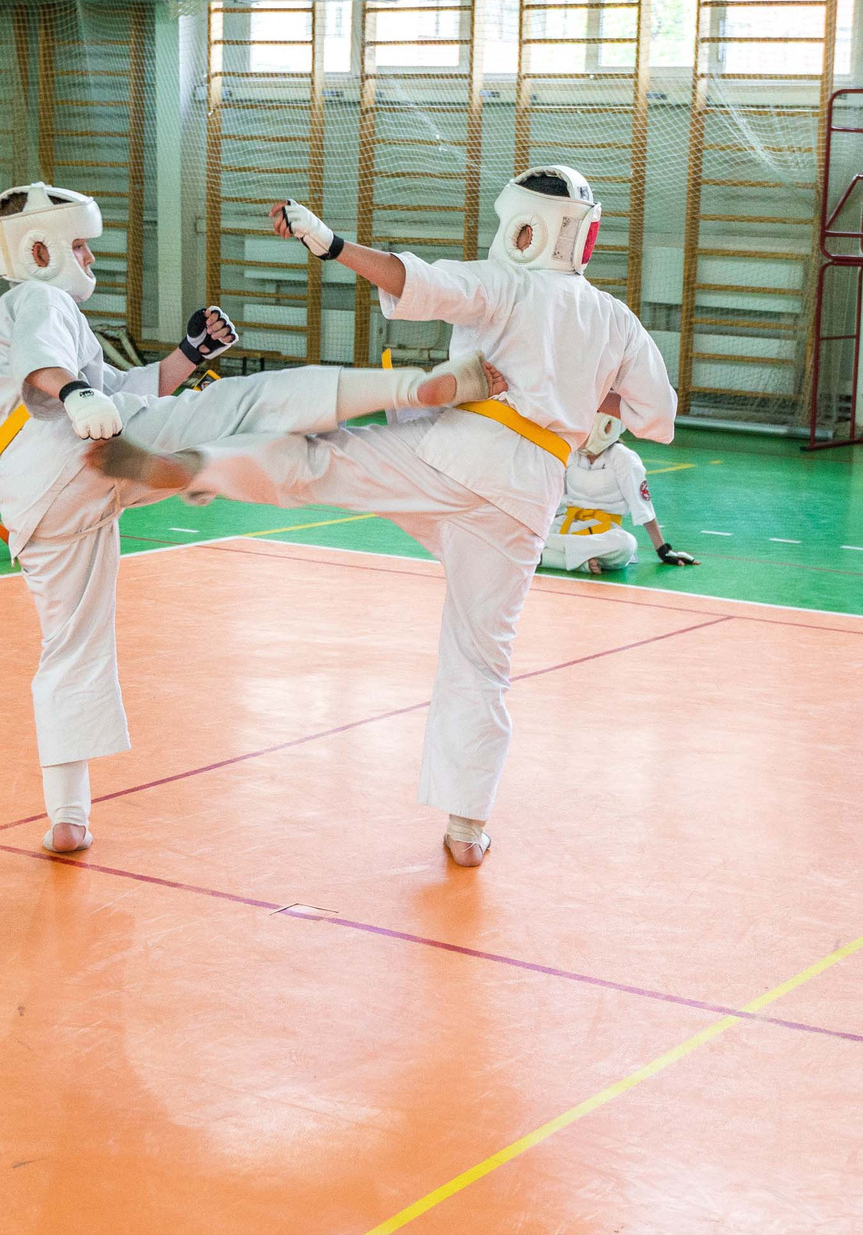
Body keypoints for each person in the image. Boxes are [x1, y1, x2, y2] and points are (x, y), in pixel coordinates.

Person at [91, 165, 680, 869]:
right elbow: (658, 415)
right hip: (529, 495)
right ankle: (467, 828)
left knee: (324, 463)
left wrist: (332, 245)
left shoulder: (507, 283)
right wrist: (571, 392)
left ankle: (206, 465)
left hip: (456, 453)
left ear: (522, 223)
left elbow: (417, 282)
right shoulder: (616, 320)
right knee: (481, 659)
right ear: (579, 231)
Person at [0, 181, 502, 855]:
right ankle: (410, 385)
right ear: (38, 249)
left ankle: (68, 817)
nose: (88, 257)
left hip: (43, 503)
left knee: (69, 648)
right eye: (77, 244)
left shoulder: (20, 318)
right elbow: (48, 372)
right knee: (253, 404)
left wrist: (186, 356)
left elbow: (120, 393)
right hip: (77, 447)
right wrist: (74, 391)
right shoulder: (35, 298)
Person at [538, 415, 697, 574]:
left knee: (626, 545)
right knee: (527, 530)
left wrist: (662, 549)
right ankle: (581, 563)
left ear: (606, 428)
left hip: (604, 535)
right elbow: (554, 496)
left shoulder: (624, 458)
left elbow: (642, 505)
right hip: (567, 526)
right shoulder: (571, 453)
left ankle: (544, 553)